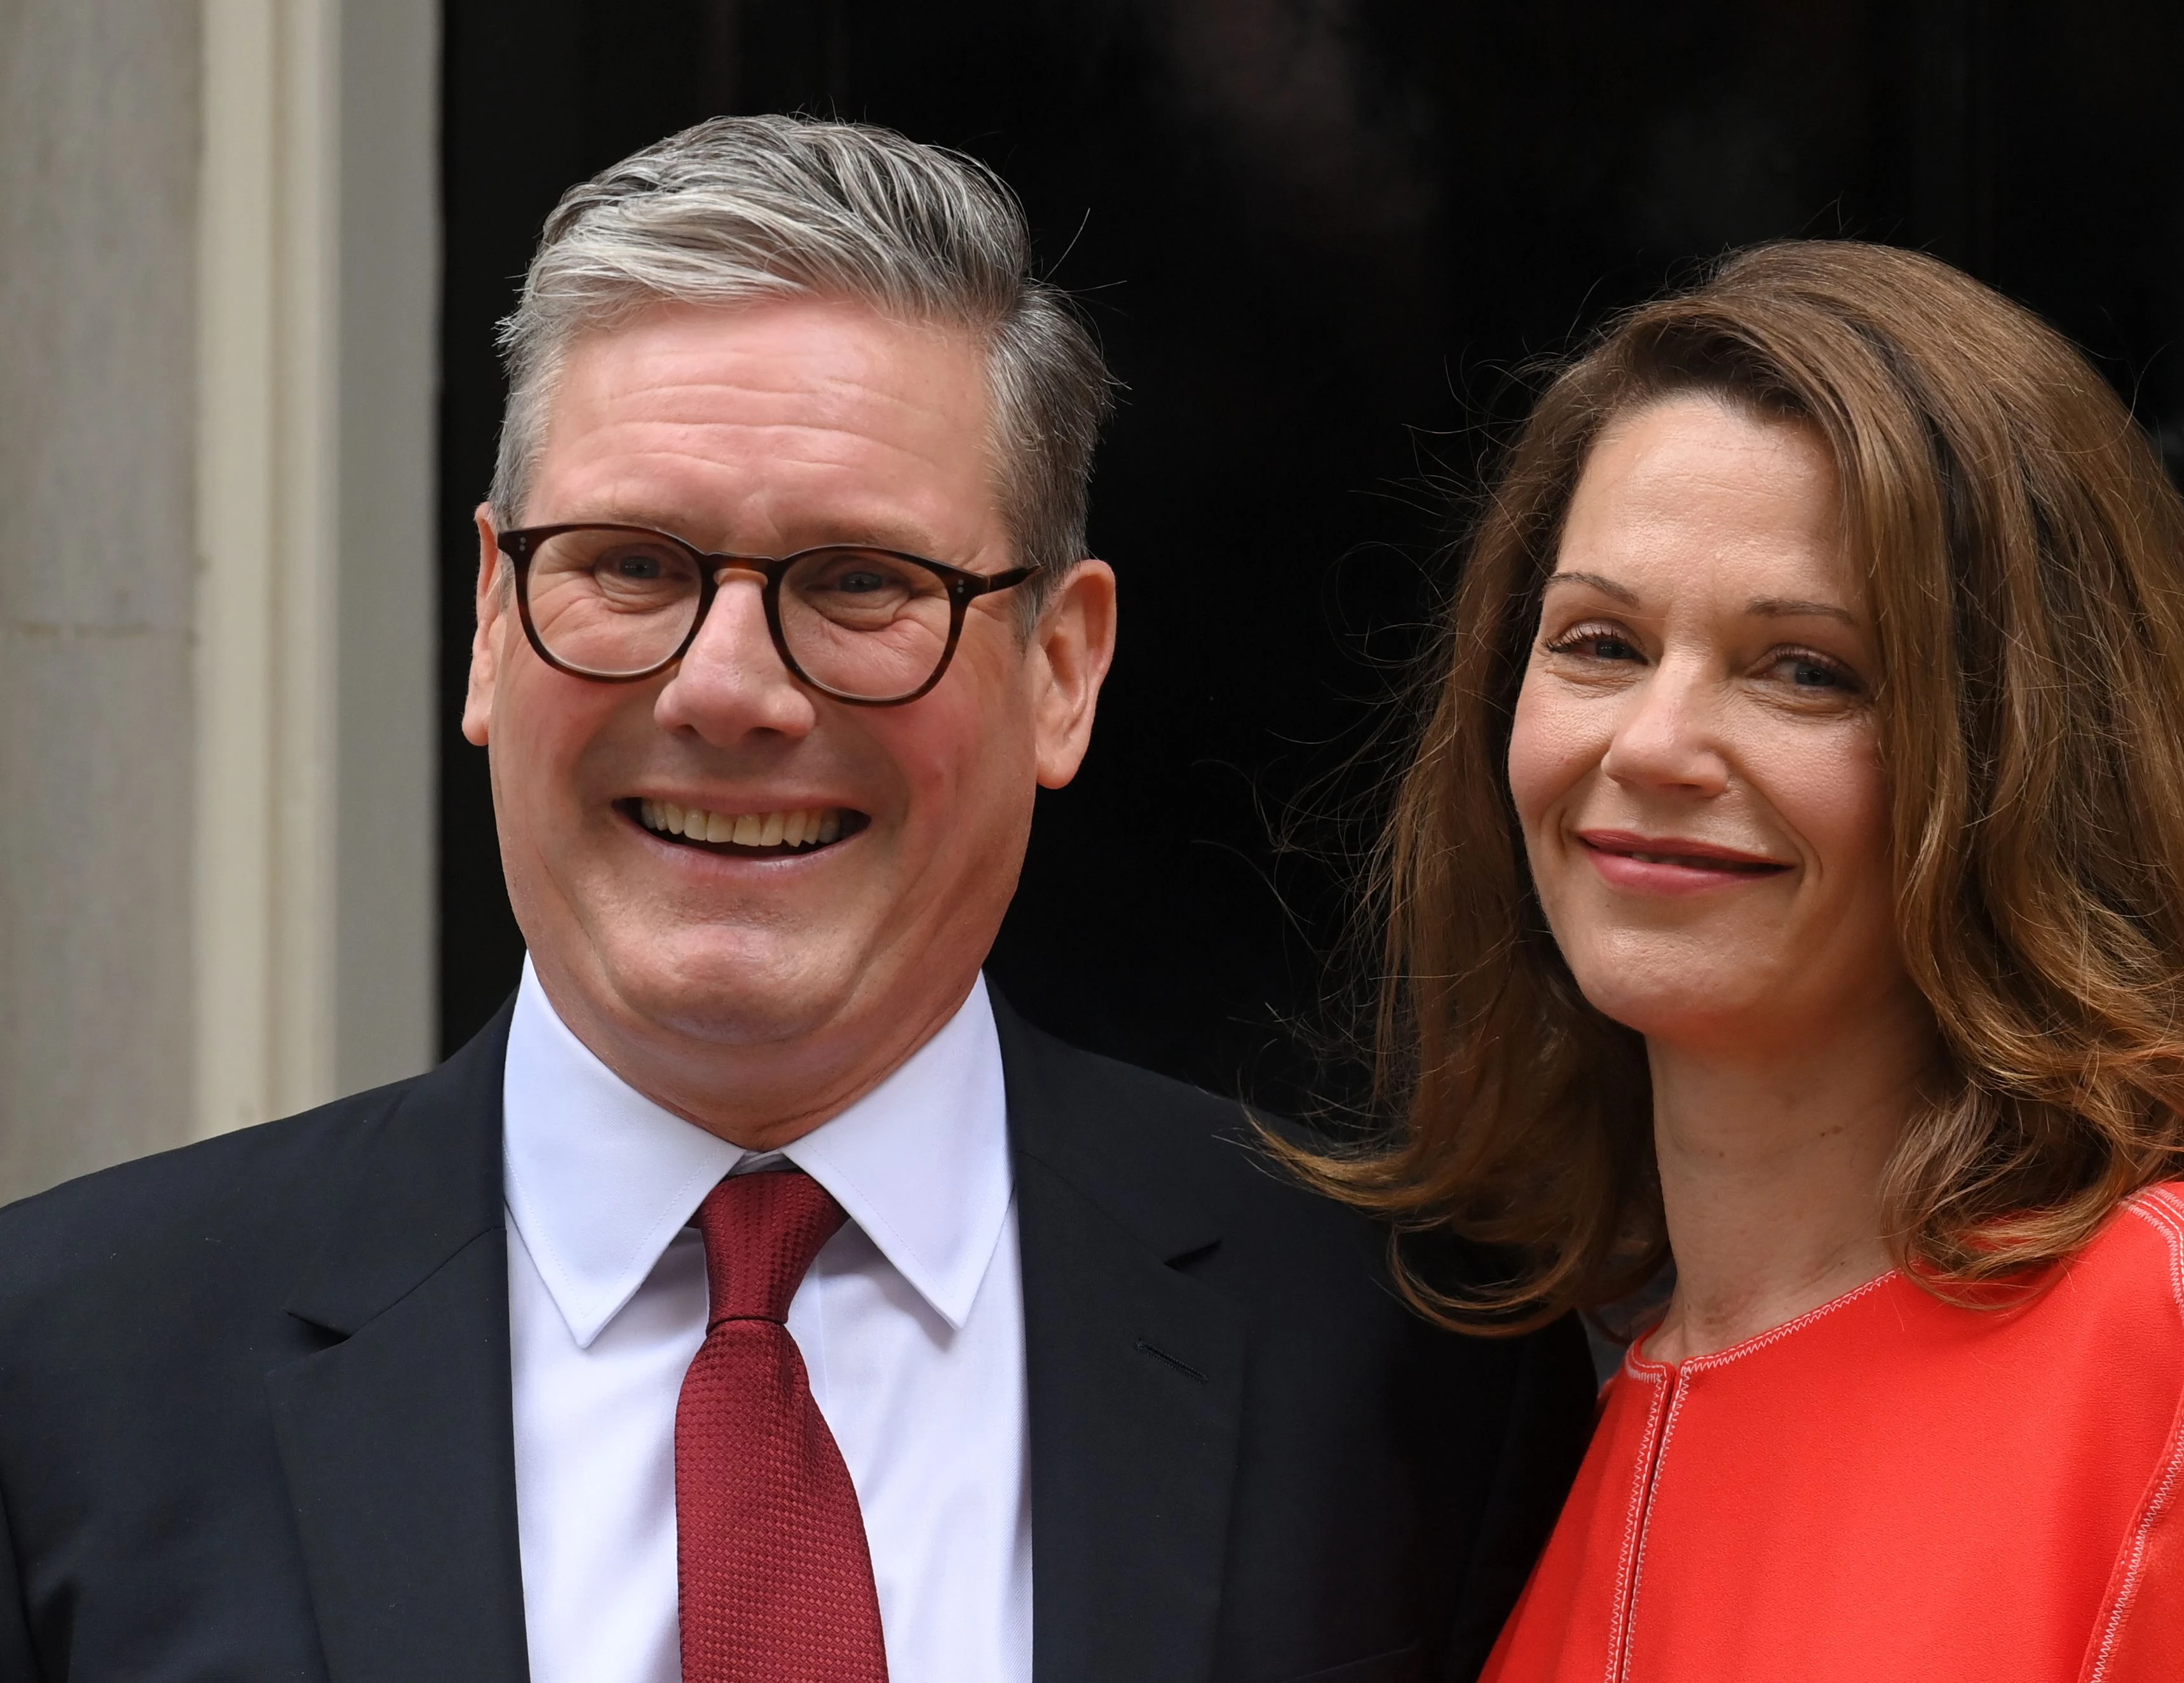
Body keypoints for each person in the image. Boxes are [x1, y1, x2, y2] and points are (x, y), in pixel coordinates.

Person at [0, 117, 1594, 1683]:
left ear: (1062, 666)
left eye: (860, 583)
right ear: (491, 621)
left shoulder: (1398, 1365)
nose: (730, 691)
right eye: (627, 565)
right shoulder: (65, 1373)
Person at [1289, 241, 2184, 1680]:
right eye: (1600, 642)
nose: (1654, 744)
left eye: (1804, 667)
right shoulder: (1524, 1432)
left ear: (2021, 754)